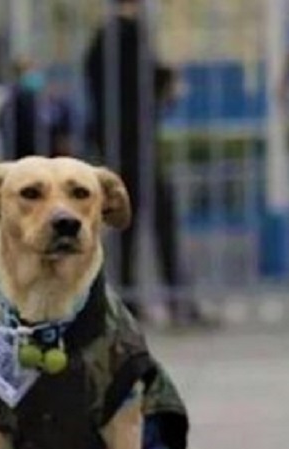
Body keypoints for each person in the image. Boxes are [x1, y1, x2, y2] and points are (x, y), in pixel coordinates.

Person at [83, 0, 209, 326]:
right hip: (138, 145)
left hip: (115, 146)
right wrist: (168, 79)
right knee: (161, 220)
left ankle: (129, 302)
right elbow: (146, 83)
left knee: (126, 226)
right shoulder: (132, 36)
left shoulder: (100, 41)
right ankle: (177, 300)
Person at [0, 57, 75, 160]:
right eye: (28, 70)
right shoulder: (16, 100)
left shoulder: (47, 97)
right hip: (26, 154)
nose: (34, 74)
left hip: (48, 154)